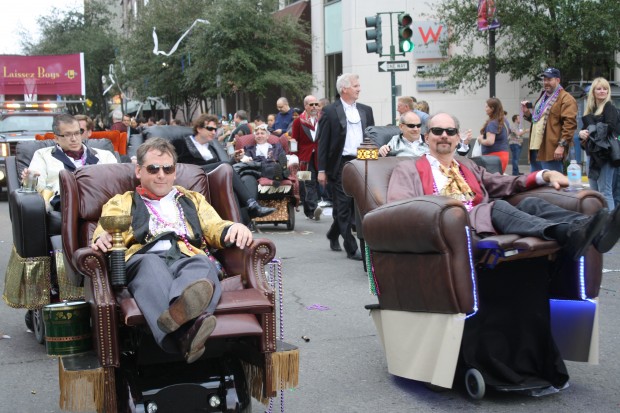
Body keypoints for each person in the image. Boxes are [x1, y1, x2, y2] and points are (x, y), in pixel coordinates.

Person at [91, 138, 253, 363]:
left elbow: (213, 225)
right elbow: (103, 230)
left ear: (175, 172)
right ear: (139, 171)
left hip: (186, 256)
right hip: (144, 257)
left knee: (203, 263)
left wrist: (233, 226)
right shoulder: (122, 201)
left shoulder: (191, 199)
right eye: (153, 169)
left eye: (168, 169)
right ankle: (182, 332)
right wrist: (103, 236)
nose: (161, 175)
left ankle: (179, 315)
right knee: (151, 264)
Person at [387, 112, 620, 261]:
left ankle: (593, 230)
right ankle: (567, 232)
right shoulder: (408, 169)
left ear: (458, 138)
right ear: (427, 137)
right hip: (449, 223)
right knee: (496, 206)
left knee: (529, 202)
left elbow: (502, 182)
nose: (444, 136)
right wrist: (441, 211)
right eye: (437, 131)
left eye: (450, 131)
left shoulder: (467, 165)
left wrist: (544, 174)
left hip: (483, 218)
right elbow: (400, 206)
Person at [174, 114, 276, 221]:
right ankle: (252, 205)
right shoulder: (181, 143)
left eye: (215, 129)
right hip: (192, 177)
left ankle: (242, 221)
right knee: (225, 167)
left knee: (245, 180)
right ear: (199, 128)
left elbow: (222, 169)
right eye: (210, 129)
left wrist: (234, 159)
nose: (213, 132)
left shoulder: (211, 148)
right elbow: (176, 165)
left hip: (211, 179)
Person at [318, 73, 375, 260]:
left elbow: (371, 137)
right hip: (341, 164)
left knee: (356, 204)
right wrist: (321, 170)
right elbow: (323, 143)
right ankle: (351, 248)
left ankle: (334, 233)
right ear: (344, 89)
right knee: (343, 206)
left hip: (363, 162)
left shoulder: (366, 110)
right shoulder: (330, 111)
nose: (359, 88)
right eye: (356, 86)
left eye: (359, 85)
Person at [23, 114, 118, 211]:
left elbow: (117, 181)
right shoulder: (43, 155)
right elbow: (38, 185)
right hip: (64, 202)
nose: (74, 139)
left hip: (101, 200)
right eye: (67, 135)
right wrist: (30, 179)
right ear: (56, 138)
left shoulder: (105, 155)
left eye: (77, 133)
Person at [522, 67, 578, 173]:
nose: (546, 82)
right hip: (535, 149)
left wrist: (561, 146)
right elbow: (539, 120)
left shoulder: (566, 98)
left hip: (551, 150)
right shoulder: (543, 97)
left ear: (558, 80)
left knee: (552, 185)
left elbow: (570, 125)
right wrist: (527, 113)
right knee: (535, 187)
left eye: (549, 79)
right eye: (544, 79)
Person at [579, 77, 620, 209]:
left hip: (606, 155)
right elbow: (584, 133)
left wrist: (591, 130)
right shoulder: (590, 111)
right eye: (599, 88)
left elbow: (611, 128)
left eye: (605, 89)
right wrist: (582, 134)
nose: (602, 91)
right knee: (594, 194)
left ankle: (609, 227)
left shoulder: (609, 107)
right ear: (593, 92)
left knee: (605, 192)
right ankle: (599, 224)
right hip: (593, 155)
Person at [237, 124, 289, 201]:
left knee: (278, 164)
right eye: (257, 134)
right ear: (255, 137)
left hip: (275, 164)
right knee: (270, 168)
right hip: (260, 168)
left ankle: (281, 172)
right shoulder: (250, 149)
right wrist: (245, 158)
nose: (259, 135)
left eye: (262, 133)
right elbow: (246, 160)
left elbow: (283, 156)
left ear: (268, 136)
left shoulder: (276, 146)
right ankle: (281, 174)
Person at [292, 95, 323, 220]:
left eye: (316, 104)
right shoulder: (298, 121)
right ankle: (313, 208)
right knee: (306, 183)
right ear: (305, 106)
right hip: (304, 158)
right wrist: (294, 156)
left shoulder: (323, 119)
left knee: (316, 181)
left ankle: (312, 208)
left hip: (320, 156)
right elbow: (294, 139)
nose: (314, 107)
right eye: (311, 104)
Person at [476, 98, 510, 173]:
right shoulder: (504, 121)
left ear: (492, 108)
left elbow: (490, 141)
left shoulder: (493, 123)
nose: (485, 109)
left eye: (487, 107)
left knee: (491, 181)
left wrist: (480, 139)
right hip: (504, 154)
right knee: (498, 179)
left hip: (493, 157)